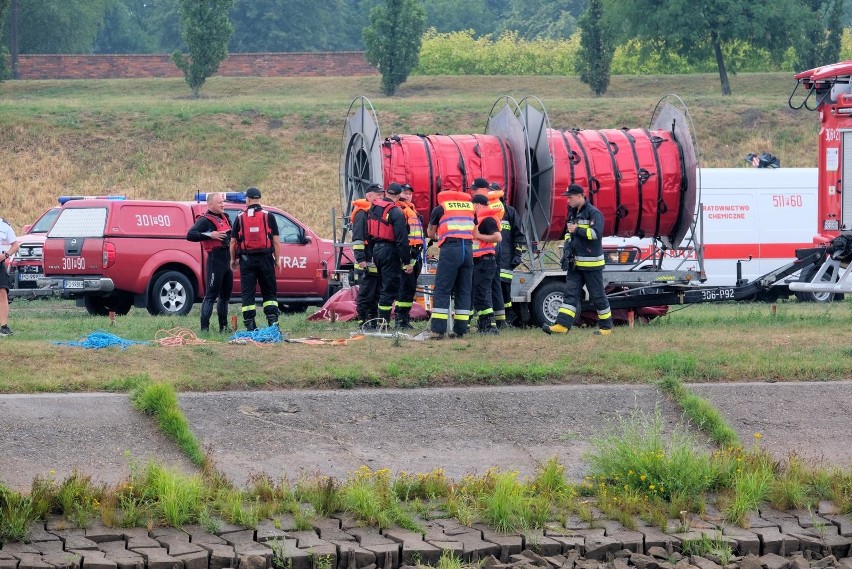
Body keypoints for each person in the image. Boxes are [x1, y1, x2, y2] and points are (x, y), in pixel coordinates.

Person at [542, 183, 613, 336]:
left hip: (592, 264)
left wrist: (578, 230)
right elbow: (569, 233)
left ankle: (606, 328)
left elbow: (596, 234)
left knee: (597, 295)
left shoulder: (594, 213)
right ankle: (562, 325)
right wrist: (567, 247)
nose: (568, 201)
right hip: (575, 264)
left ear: (580, 196)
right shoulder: (573, 213)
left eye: (570, 197)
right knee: (570, 294)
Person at [229, 187, 283, 331]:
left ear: (247, 200)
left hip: (247, 260)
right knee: (269, 292)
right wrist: (277, 260)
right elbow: (276, 241)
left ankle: (250, 325)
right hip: (266, 258)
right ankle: (273, 324)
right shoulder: (268, 216)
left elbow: (233, 242)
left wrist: (233, 260)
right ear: (259, 199)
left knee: (248, 293)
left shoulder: (240, 217)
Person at [425, 187, 475, 339]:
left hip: (450, 250)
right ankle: (460, 330)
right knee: (464, 290)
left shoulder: (441, 208)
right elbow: (475, 230)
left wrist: (437, 237)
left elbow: (430, 233)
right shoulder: (470, 208)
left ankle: (438, 331)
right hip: (467, 250)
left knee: (442, 289)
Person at [186, 192, 233, 333]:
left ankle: (223, 328)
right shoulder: (205, 220)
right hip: (215, 261)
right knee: (211, 295)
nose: (222, 205)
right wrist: (210, 234)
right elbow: (190, 235)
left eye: (223, 202)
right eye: (219, 203)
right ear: (211, 204)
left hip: (227, 261)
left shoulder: (226, 218)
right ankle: (204, 329)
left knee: (225, 297)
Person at [367, 182, 412, 327]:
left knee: (382, 286)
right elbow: (401, 240)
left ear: (386, 193)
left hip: (377, 250)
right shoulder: (396, 212)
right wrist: (406, 262)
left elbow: (370, 233)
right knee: (389, 288)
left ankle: (379, 321)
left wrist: (372, 254)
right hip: (389, 251)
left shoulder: (374, 208)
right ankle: (383, 323)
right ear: (399, 195)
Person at [468, 177, 504, 326]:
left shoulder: (487, 219)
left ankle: (489, 325)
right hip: (478, 261)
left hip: (485, 261)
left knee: (482, 294)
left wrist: (478, 236)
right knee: (477, 293)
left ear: (478, 204)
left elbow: (498, 237)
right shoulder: (478, 219)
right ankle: (482, 323)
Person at [490, 182, 525, 328]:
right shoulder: (486, 211)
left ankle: (508, 316)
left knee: (504, 289)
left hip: (506, 258)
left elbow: (518, 234)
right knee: (491, 288)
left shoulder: (510, 212)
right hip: (490, 255)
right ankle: (495, 319)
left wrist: (517, 253)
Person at [351, 183, 385, 328]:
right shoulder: (362, 213)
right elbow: (358, 238)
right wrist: (361, 259)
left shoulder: (375, 212)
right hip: (365, 260)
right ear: (368, 196)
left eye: (382, 195)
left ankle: (373, 319)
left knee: (376, 292)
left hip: (375, 259)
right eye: (378, 195)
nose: (380, 197)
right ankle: (362, 320)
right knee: (366, 292)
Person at [394, 183, 424, 330]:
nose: (407, 195)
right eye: (404, 193)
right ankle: (400, 319)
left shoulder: (412, 210)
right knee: (405, 287)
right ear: (398, 194)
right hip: (407, 253)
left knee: (410, 287)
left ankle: (404, 318)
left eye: (410, 193)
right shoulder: (399, 210)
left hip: (416, 253)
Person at [0, 216, 21, 337]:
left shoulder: (4, 226)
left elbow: (15, 245)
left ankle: (3, 327)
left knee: (2, 292)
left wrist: (6, 255)